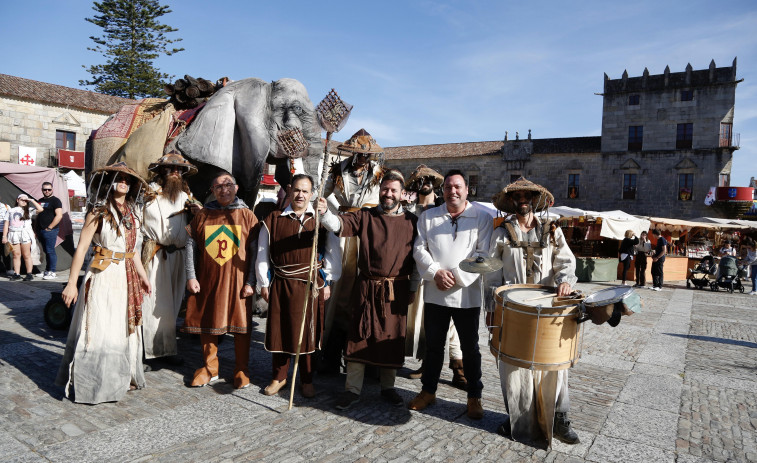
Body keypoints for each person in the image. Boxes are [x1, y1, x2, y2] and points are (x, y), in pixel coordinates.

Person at [486, 176, 580, 445]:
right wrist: (491, 309)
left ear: (537, 200)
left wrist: (564, 281)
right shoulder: (501, 232)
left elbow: (566, 262)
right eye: (518, 197)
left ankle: (559, 419)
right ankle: (518, 418)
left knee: (554, 365)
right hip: (512, 309)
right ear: (512, 201)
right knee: (512, 366)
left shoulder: (552, 230)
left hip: (548, 308)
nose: (523, 200)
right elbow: (491, 273)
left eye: (528, 196)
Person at [317, 169, 418, 409]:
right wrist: (324, 212)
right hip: (366, 287)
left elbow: (416, 261)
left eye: (393, 190)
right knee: (359, 334)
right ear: (380, 191)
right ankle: (352, 390)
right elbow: (339, 224)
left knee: (391, 337)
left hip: (396, 290)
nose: (388, 194)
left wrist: (412, 288)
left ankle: (388, 388)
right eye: (385, 189)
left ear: (402, 194)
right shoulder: (366, 216)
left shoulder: (413, 222)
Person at [55, 162, 151, 404]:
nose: (124, 182)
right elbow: (82, 248)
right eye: (120, 178)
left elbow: (134, 251)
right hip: (103, 274)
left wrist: (143, 276)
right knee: (99, 327)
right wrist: (70, 284)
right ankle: (96, 382)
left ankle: (123, 375)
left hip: (126, 275)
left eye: (129, 180)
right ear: (110, 182)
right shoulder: (98, 211)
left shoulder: (134, 213)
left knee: (121, 329)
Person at [408, 170, 492, 420]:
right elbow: (419, 249)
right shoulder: (429, 216)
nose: (452, 191)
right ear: (441, 190)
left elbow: (483, 254)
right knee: (434, 346)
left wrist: (454, 275)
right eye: (447, 187)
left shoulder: (482, 217)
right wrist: (435, 272)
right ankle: (428, 390)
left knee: (470, 348)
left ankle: (474, 395)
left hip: (467, 294)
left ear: (467, 189)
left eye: (457, 187)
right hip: (436, 292)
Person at [256, 174, 341, 398]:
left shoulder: (320, 221)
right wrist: (263, 283)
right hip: (281, 283)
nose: (300, 195)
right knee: (280, 332)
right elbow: (263, 253)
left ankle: (306, 379)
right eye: (296, 190)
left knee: (308, 335)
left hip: (311, 285)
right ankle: (279, 377)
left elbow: (333, 253)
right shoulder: (273, 219)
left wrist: (328, 281)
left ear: (312, 194)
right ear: (289, 190)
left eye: (305, 191)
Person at [184, 171, 258, 389]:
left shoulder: (247, 215)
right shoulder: (204, 214)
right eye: (218, 187)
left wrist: (251, 281)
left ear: (236, 188)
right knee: (207, 322)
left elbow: (255, 250)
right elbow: (191, 244)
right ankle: (209, 368)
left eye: (228, 185)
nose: (223, 190)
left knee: (241, 325)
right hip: (208, 279)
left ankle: (241, 369)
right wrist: (191, 275)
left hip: (238, 281)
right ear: (212, 191)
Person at [320, 128, 385, 373]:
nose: (360, 158)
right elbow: (322, 194)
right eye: (357, 154)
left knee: (365, 292)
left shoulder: (379, 174)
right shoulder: (338, 171)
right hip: (342, 231)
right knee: (338, 292)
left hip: (369, 231)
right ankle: (330, 352)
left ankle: (363, 359)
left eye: (364, 155)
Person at [403, 165, 467, 389]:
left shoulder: (443, 208)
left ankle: (459, 368)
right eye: (421, 180)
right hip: (419, 270)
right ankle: (427, 363)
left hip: (445, 273)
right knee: (426, 323)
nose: (425, 183)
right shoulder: (409, 209)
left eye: (429, 179)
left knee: (452, 326)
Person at [141, 152, 201, 365]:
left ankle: (166, 350)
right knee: (153, 305)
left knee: (173, 306)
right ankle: (148, 352)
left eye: (179, 170)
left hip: (179, 257)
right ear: (161, 172)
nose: (175, 173)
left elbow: (199, 224)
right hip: (156, 256)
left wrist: (198, 213)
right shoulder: (147, 194)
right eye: (170, 169)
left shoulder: (187, 197)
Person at [2, 194, 43, 281]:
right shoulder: (10, 211)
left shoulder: (29, 210)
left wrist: (31, 200)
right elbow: (6, 224)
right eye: (22, 200)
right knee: (16, 255)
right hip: (13, 234)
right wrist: (4, 236)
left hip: (25, 234)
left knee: (27, 255)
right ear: (17, 200)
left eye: (25, 200)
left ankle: (29, 274)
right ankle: (16, 273)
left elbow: (41, 209)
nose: (24, 201)